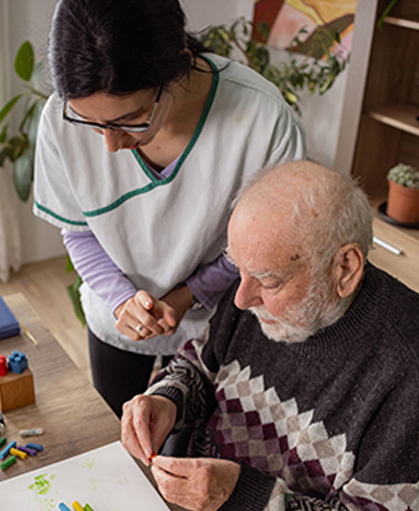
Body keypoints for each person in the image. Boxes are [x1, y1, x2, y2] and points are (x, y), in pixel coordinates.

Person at [121, 160, 419, 511]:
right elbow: (200, 364)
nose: (242, 299)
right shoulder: (256, 285)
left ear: (345, 269)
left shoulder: (416, 369)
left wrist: (238, 497)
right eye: (238, 271)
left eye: (268, 280)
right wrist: (167, 399)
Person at [33, 0, 306, 417]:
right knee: (119, 436)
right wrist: (122, 300)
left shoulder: (261, 120)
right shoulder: (59, 120)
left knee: (193, 448)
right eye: (92, 124)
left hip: (217, 324)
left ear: (179, 66)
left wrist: (188, 295)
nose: (111, 145)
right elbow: (80, 230)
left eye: (133, 118)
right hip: (116, 317)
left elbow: (262, 246)